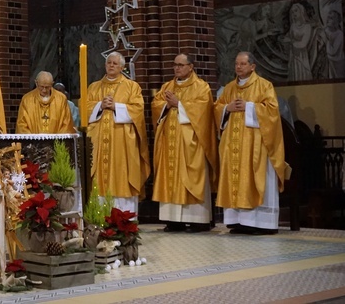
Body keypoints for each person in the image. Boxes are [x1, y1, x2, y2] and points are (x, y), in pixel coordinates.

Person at [215, 51, 287, 235]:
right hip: (233, 143)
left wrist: (249, 107)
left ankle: (260, 223)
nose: (238, 67)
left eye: (243, 64)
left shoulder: (264, 86)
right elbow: (217, 109)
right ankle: (237, 222)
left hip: (256, 144)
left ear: (252, 66)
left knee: (255, 176)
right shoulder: (229, 88)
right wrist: (226, 108)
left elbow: (272, 112)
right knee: (235, 178)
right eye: (237, 63)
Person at [151, 54, 218, 232]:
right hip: (170, 142)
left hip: (192, 142)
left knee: (192, 176)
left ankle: (198, 220)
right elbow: (156, 104)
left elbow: (204, 110)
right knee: (170, 176)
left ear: (191, 67)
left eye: (181, 65)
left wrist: (179, 104)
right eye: (175, 65)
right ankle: (172, 220)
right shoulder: (167, 86)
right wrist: (166, 105)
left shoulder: (201, 87)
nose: (177, 68)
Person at [86, 51, 150, 214]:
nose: (111, 65)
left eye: (115, 63)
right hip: (99, 140)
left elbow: (138, 110)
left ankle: (124, 220)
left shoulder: (131, 86)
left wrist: (117, 107)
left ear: (122, 67)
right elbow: (84, 109)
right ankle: (99, 217)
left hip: (122, 142)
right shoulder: (94, 87)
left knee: (122, 173)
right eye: (109, 62)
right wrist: (99, 106)